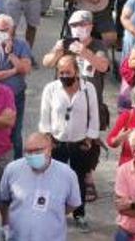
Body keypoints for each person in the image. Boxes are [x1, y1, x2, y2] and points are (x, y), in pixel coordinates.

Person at [37, 55, 99, 228]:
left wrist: (90, 137)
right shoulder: (51, 89)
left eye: (68, 72)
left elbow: (94, 115)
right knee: (54, 179)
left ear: (77, 72)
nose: (64, 75)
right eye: (61, 72)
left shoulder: (88, 89)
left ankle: (79, 214)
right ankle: (55, 213)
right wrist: (47, 137)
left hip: (81, 143)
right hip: (57, 142)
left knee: (79, 180)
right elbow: (45, 115)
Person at [0, 132, 81, 241]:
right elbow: (4, 200)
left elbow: (73, 204)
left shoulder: (67, 174)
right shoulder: (12, 169)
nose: (33, 155)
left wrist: (52, 212)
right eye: (28, 151)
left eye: (38, 151)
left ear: (50, 149)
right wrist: (5, 225)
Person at [0, 15, 32, 158]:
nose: (0, 33)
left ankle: (17, 163)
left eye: (4, 29)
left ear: (12, 30)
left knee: (15, 132)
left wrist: (11, 54)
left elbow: (26, 69)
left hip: (16, 96)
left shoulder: (22, 45)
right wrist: (15, 70)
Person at [43, 10, 112, 101]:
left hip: (89, 98)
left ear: (91, 27)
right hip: (64, 96)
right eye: (74, 25)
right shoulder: (65, 44)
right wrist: (57, 53)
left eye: (82, 25)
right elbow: (46, 63)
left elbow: (104, 67)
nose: (78, 28)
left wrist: (85, 53)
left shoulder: (98, 45)